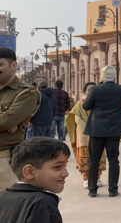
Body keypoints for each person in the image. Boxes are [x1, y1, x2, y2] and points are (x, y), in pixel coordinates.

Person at [83, 66, 121, 197]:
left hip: (96, 129)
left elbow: (86, 106)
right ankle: (113, 190)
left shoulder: (94, 89)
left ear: (102, 77)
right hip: (115, 129)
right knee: (114, 159)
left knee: (93, 160)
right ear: (115, 76)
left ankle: (92, 190)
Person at [0, 137, 69, 222]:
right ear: (29, 172)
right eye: (57, 167)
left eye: (65, 167)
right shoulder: (42, 204)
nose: (66, 173)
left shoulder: (2, 197)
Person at [0, 48, 41, 191]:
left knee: (6, 209)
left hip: (4, 161)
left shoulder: (26, 93)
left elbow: (6, 121)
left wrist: (8, 122)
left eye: (0, 65)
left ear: (13, 66)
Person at [65, 82, 106, 189]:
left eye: (93, 88)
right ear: (84, 91)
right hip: (83, 133)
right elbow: (76, 117)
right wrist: (88, 127)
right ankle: (86, 178)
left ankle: (97, 178)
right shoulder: (80, 103)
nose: (91, 91)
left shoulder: (100, 103)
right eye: (88, 89)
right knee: (84, 156)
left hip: (97, 131)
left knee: (99, 154)